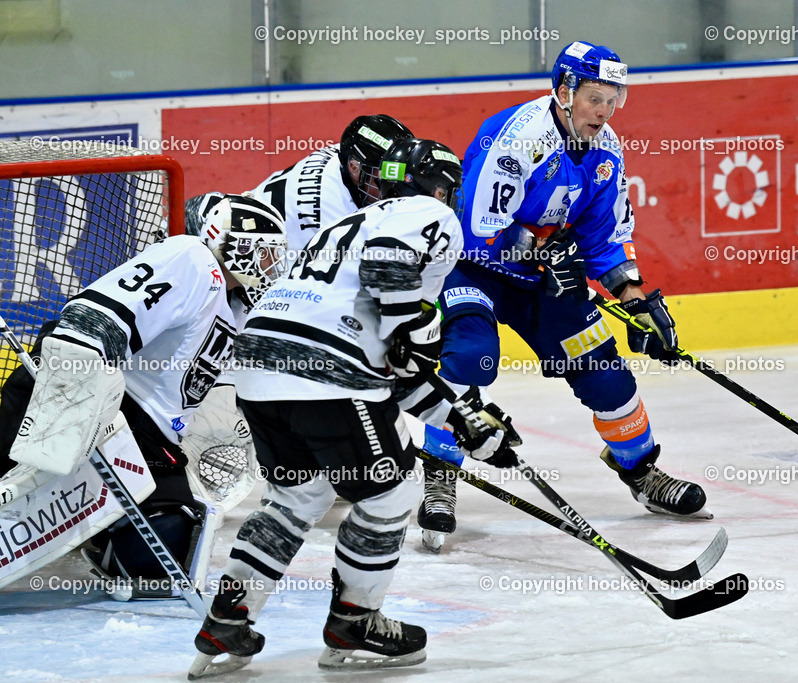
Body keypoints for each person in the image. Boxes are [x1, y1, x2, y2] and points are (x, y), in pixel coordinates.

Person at [190, 137, 503, 676]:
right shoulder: (427, 213)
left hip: (261, 367)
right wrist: (410, 324)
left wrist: (463, 422)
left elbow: (394, 375)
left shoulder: (348, 226)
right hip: (324, 370)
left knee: (297, 497)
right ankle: (355, 620)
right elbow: (390, 279)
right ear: (440, 186)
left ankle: (227, 619)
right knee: (391, 492)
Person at [407, 40, 711, 550]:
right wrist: (543, 249)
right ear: (565, 91)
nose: (604, 111)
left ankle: (641, 473)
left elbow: (603, 238)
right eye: (596, 97)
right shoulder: (518, 138)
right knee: (472, 358)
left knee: (607, 376)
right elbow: (480, 228)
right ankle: (440, 474)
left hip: (544, 280)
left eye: (615, 100)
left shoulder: (607, 150)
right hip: (473, 270)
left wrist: (634, 299)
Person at [2, 193, 287, 598]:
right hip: (76, 398)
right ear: (225, 242)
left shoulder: (242, 306)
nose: (270, 267)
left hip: (142, 437)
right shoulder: (192, 260)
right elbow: (93, 320)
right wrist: (77, 414)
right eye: (263, 254)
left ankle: (96, 534)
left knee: (159, 555)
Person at [185, 114, 414, 269]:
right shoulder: (336, 220)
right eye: (381, 179)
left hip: (239, 217)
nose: (392, 189)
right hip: (251, 260)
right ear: (355, 169)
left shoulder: (342, 154)